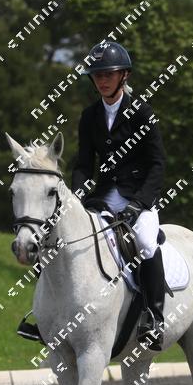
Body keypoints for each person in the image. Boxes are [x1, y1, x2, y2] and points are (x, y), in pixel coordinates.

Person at [71, 41, 167, 350]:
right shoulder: (89, 116)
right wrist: (76, 196)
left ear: (123, 75)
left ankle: (154, 318)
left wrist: (139, 204)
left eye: (108, 74)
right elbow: (83, 164)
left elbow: (157, 164)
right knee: (66, 237)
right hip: (102, 196)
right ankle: (51, 316)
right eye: (97, 75)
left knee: (146, 242)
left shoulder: (142, 112)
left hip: (138, 196)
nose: (102, 80)